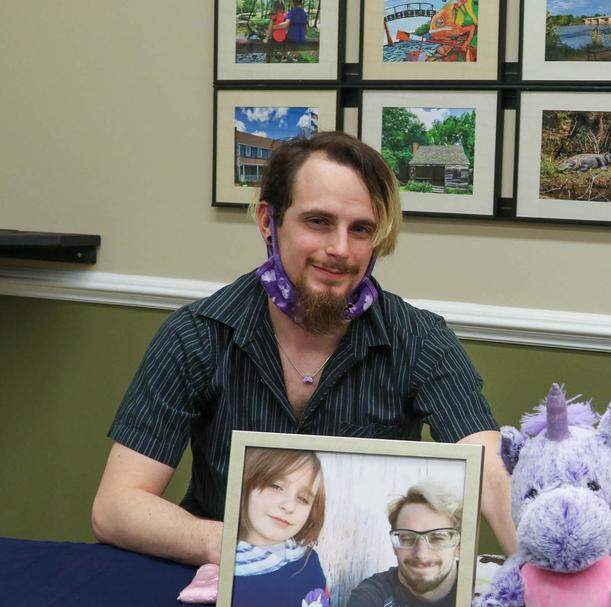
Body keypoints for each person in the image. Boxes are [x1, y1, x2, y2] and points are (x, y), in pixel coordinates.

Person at [91, 131, 517, 567]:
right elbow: (116, 507)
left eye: (361, 230)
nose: (340, 249)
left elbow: (488, 470)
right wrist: (239, 547)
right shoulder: (196, 336)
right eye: (318, 222)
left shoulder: (420, 340)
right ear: (267, 222)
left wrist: (536, 566)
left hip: (361, 592)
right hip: (218, 583)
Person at [335, 482, 463, 607]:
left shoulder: (481, 594)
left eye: (437, 538)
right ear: (394, 546)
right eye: (407, 538)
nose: (421, 554)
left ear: (458, 545)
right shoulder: (374, 593)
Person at [229, 448, 333, 607]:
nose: (289, 506)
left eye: (303, 498)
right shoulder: (224, 566)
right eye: (275, 486)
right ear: (245, 481)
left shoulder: (309, 560)